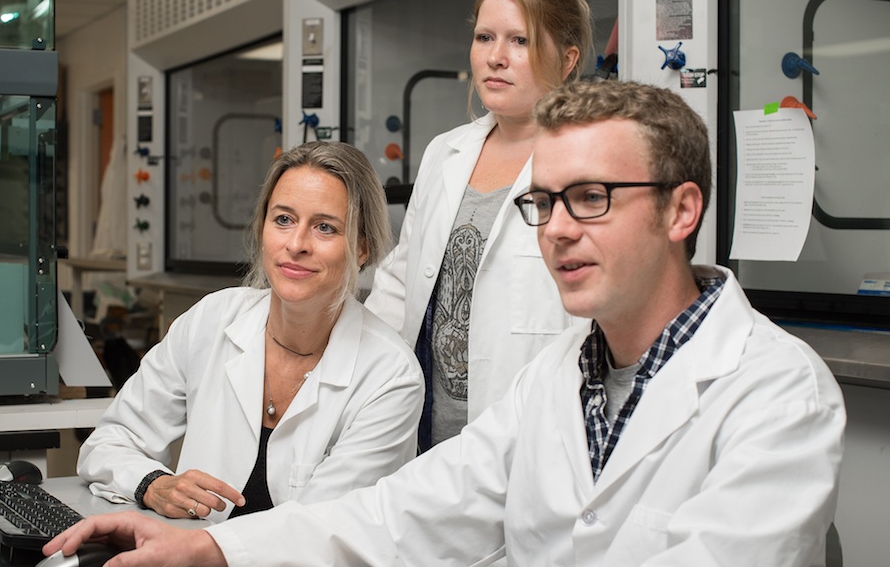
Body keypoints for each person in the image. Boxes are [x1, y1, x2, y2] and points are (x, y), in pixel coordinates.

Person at [45, 81, 846, 566]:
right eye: (544, 200)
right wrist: (210, 547)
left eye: (592, 197)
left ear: (681, 209)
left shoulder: (776, 393)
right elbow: (404, 513)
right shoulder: (557, 381)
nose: (557, 228)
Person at [74, 141, 424, 522]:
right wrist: (152, 483)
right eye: (284, 220)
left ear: (361, 249)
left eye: (325, 227)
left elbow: (317, 531)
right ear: (262, 229)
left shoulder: (390, 375)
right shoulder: (213, 319)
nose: (296, 244)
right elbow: (108, 443)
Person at [365, 0, 594, 449]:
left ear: (567, 58)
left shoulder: (589, 162)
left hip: (533, 434)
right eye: (485, 36)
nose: (495, 57)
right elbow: (401, 282)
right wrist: (360, 376)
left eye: (520, 41)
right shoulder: (445, 152)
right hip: (425, 433)